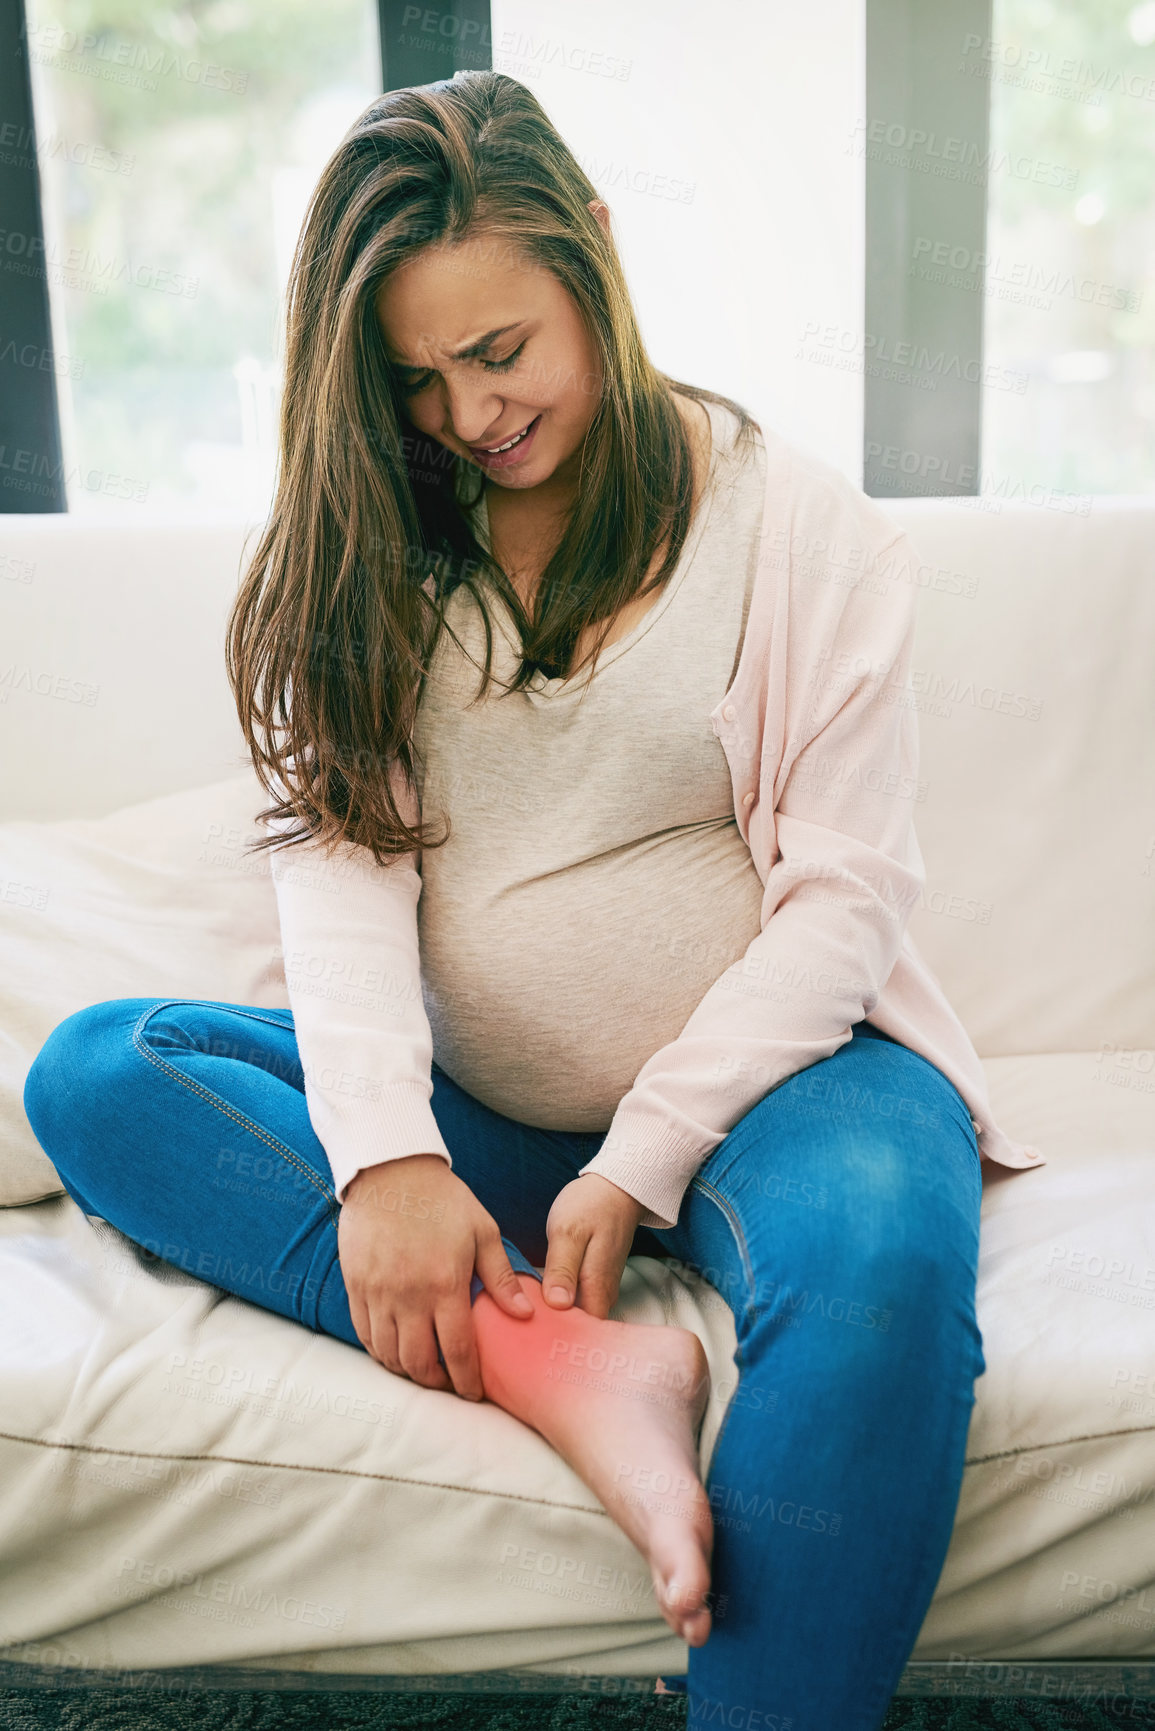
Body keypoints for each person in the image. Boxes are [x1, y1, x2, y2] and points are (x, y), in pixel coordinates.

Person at [22, 70, 1045, 1731]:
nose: (469, 416)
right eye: (417, 383)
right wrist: (390, 1161)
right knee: (96, 1072)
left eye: (500, 352)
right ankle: (566, 1366)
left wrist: (641, 1166)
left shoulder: (797, 532)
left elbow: (845, 902)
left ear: (596, 264)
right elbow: (343, 874)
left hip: (792, 1088)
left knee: (884, 1283)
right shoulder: (374, 549)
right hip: (475, 1114)